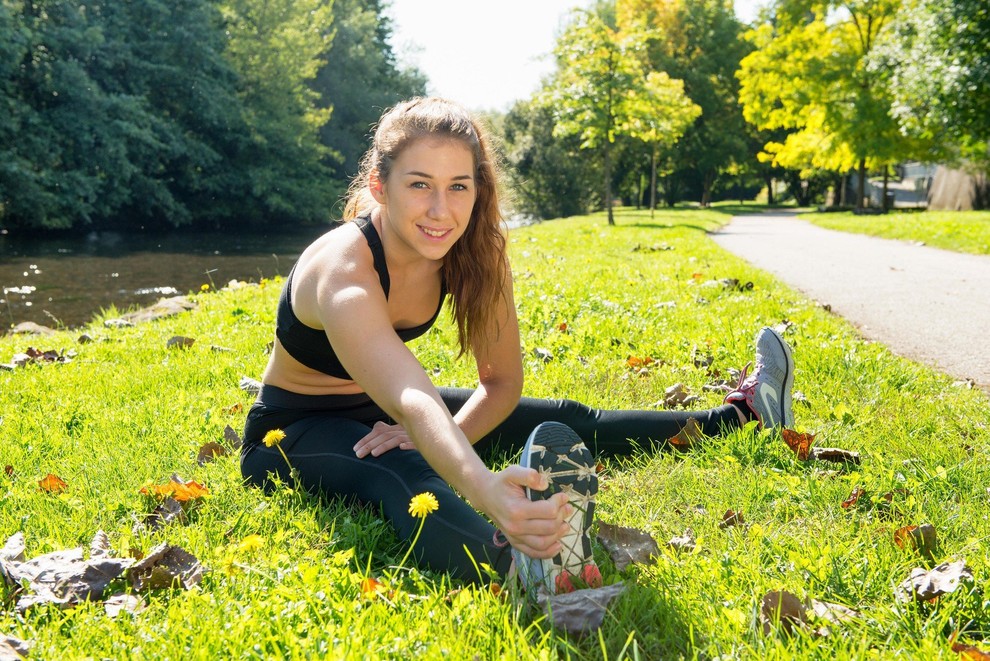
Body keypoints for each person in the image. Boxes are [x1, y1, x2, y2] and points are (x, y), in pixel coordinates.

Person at [240, 97, 794, 593]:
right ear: (380, 187)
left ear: (477, 190)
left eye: (458, 186)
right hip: (295, 429)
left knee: (571, 418)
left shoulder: (473, 248)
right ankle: (519, 567)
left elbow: (500, 383)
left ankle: (742, 416)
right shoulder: (344, 269)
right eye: (419, 184)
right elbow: (411, 395)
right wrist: (484, 487)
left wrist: (439, 435)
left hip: (381, 409)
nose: (441, 210)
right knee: (404, 477)